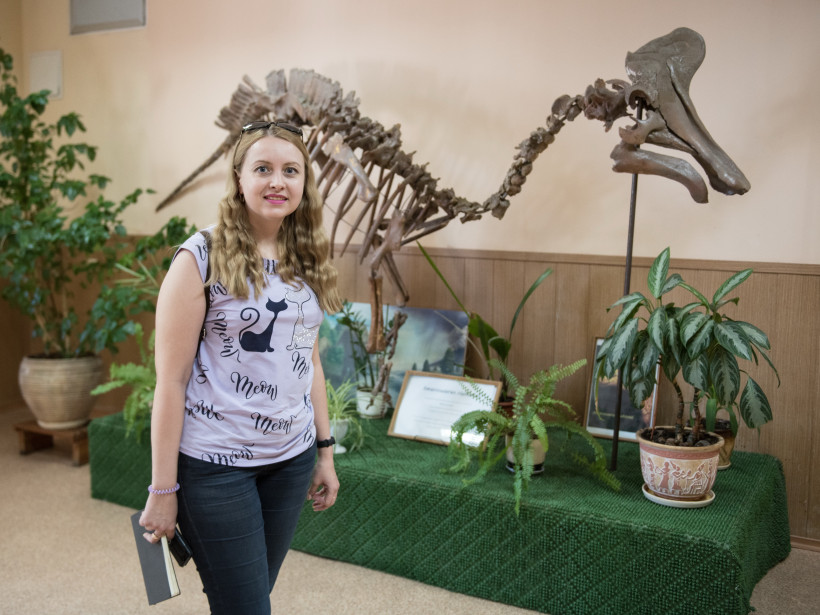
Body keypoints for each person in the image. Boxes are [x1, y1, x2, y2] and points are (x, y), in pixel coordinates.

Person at [139, 119, 343, 614]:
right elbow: (171, 382)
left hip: (291, 461)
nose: (278, 181)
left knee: (247, 599)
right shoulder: (200, 256)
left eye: (291, 170)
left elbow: (309, 359)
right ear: (239, 178)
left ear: (304, 182)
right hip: (215, 467)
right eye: (263, 168)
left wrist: (324, 451)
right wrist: (163, 490)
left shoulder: (307, 255)